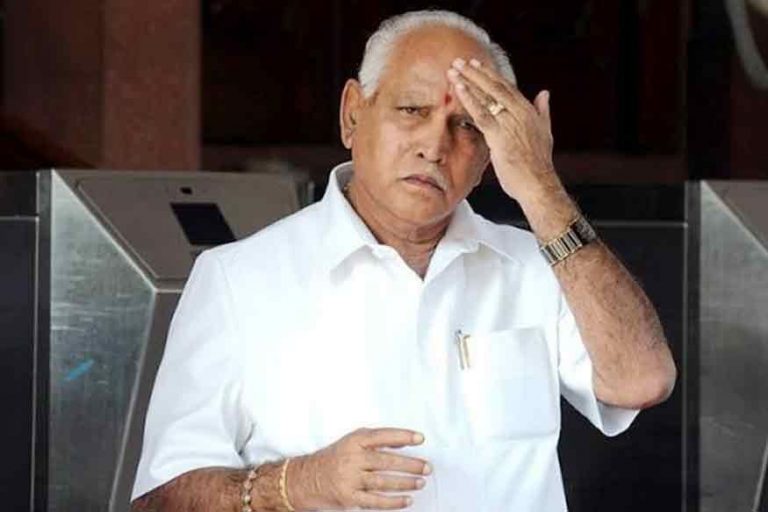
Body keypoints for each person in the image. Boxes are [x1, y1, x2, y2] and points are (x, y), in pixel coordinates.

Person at [130, 9, 676, 512]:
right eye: (412, 110)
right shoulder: (238, 279)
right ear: (352, 114)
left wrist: (540, 187)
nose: (435, 146)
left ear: (489, 154)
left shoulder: (537, 266)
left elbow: (642, 381)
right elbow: (161, 498)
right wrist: (298, 483)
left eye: (469, 126)